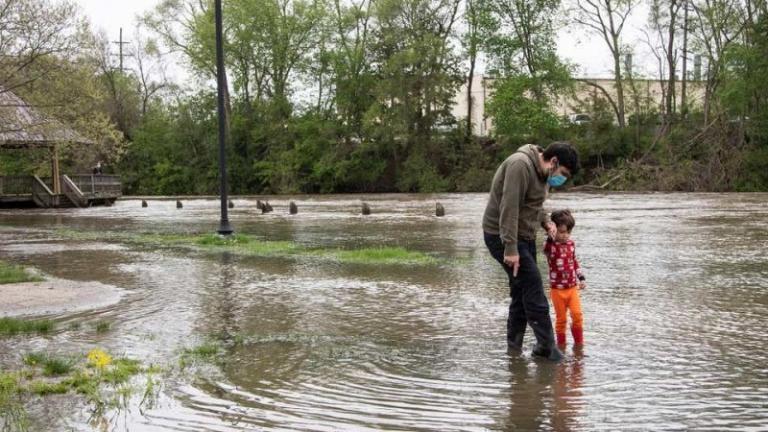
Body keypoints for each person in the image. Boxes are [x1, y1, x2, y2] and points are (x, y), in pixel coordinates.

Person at [483, 142, 580, 361]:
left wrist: (546, 222)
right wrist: (510, 247)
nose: (562, 180)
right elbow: (509, 207)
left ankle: (514, 348)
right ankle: (546, 347)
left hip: (524, 235)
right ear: (553, 161)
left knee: (521, 290)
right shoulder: (520, 165)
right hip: (501, 235)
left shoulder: (543, 173)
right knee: (533, 284)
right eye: (563, 174)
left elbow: (534, 204)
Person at [543, 209, 586, 348]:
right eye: (561, 232)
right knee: (561, 320)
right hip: (557, 291)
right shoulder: (550, 246)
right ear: (554, 230)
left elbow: (574, 262)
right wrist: (550, 236)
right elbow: (546, 249)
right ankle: (561, 346)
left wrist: (581, 278)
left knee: (577, 315)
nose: (565, 235)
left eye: (568, 232)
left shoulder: (571, 244)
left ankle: (579, 345)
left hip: (572, 288)